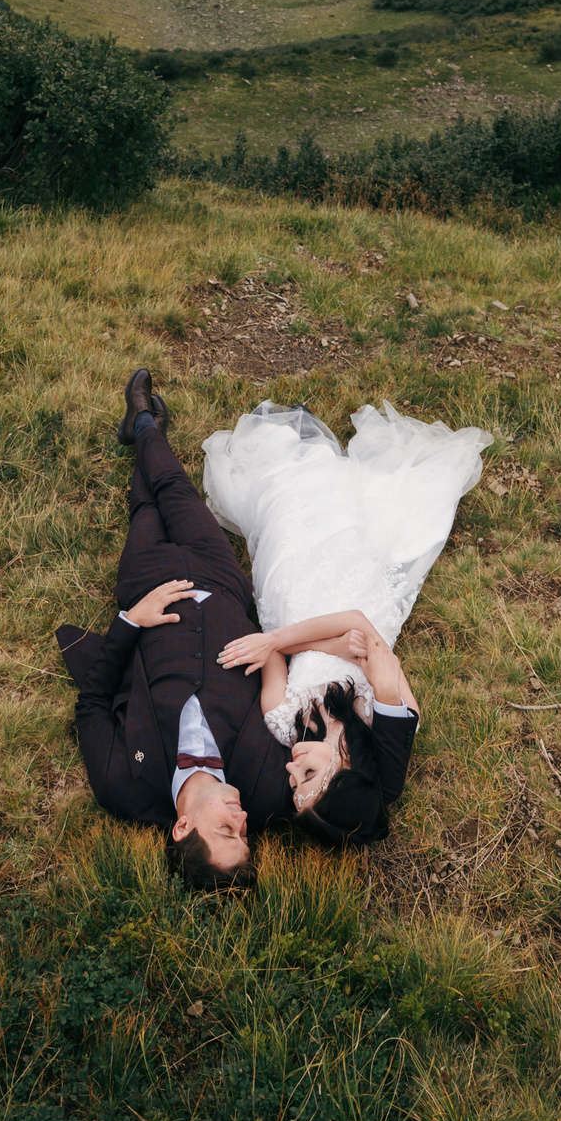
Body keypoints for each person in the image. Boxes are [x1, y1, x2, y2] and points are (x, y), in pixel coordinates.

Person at [206, 399, 492, 846]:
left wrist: (323, 646)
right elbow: (357, 622)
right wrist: (317, 642)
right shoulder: (388, 718)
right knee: (336, 518)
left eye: (292, 782)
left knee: (283, 519)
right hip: (353, 596)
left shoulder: (284, 722)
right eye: (308, 773)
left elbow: (274, 650)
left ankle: (298, 446)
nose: (290, 765)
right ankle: (316, 454)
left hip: (295, 610)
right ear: (346, 769)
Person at [57, 370, 292, 892]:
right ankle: (144, 423)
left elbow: (92, 704)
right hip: (222, 582)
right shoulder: (268, 789)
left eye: (227, 831)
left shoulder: (125, 785)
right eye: (246, 835)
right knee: (175, 490)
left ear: (182, 828)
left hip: (148, 587)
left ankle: (145, 428)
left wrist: (129, 622)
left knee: (145, 508)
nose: (243, 820)